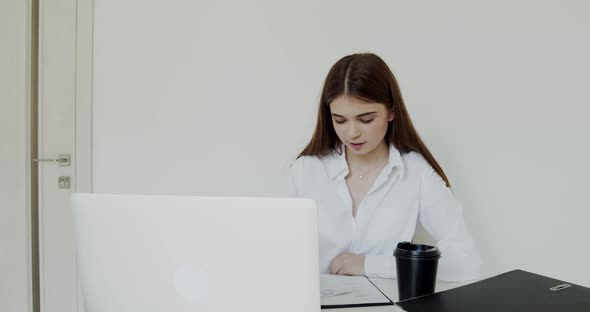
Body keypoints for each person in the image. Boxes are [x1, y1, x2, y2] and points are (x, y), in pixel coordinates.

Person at [287, 53, 481, 281]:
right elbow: (274, 251)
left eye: (366, 119)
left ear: (392, 111)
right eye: (340, 120)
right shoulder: (306, 171)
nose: (352, 133)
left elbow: (467, 262)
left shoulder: (416, 173)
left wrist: (371, 265)